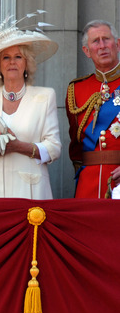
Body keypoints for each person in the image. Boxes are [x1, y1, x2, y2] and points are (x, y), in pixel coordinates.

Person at [0, 16, 61, 199]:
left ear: (26, 64)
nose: (12, 62)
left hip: (29, 192)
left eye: (18, 57)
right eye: (6, 57)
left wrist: (18, 146)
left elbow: (54, 148)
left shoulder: (44, 97)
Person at [66, 20, 120, 198]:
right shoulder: (77, 90)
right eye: (95, 41)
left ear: (118, 44)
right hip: (87, 184)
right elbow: (76, 145)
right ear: (87, 51)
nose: (102, 46)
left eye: (106, 39)